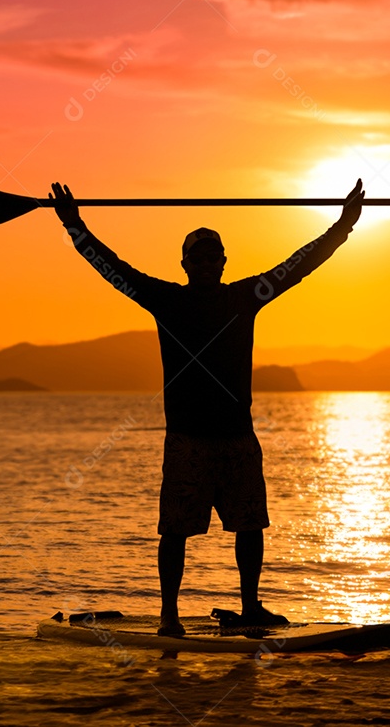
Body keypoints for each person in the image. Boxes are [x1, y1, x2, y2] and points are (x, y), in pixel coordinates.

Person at [49, 179, 365, 635]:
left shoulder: (243, 298)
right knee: (175, 530)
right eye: (198, 258)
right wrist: (74, 225)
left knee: (250, 524)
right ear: (186, 264)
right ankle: (169, 616)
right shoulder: (166, 300)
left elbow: (298, 266)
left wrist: (343, 227)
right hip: (188, 439)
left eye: (212, 257)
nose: (205, 264)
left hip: (236, 435)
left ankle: (250, 606)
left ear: (222, 262)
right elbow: (110, 267)